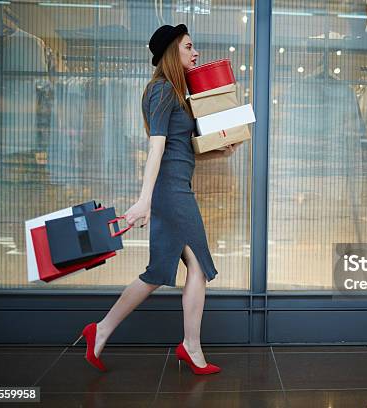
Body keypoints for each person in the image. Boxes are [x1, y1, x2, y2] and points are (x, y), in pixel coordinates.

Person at [73, 24, 242, 375]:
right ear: (171, 52)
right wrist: (144, 200)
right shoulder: (162, 91)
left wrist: (220, 153)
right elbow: (156, 147)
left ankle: (101, 330)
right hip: (171, 193)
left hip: (175, 188)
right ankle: (190, 346)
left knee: (158, 272)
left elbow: (180, 151)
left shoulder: (175, 93)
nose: (196, 54)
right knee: (198, 267)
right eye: (189, 47)